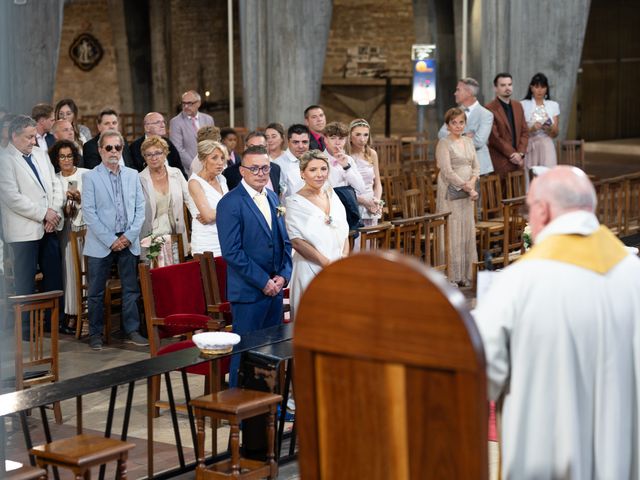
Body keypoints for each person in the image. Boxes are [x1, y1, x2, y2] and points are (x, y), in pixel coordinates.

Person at [474, 166, 640, 479]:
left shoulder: (519, 284)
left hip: (547, 459)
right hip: (621, 460)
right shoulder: (633, 274)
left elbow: (478, 375)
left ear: (543, 211)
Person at [216, 145, 292, 386]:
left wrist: (283, 276)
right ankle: (239, 412)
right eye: (255, 168)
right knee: (245, 353)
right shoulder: (230, 203)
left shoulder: (272, 197)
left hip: (274, 290)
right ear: (242, 171)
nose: (261, 172)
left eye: (265, 168)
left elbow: (285, 242)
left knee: (270, 354)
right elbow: (232, 252)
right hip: (250, 292)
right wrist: (263, 281)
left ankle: (269, 408)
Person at [82, 129, 148, 350]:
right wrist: (111, 240)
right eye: (108, 147)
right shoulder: (90, 177)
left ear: (122, 150)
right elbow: (89, 213)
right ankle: (95, 334)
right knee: (96, 291)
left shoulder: (132, 174)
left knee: (131, 289)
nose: (113, 151)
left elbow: (141, 209)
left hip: (128, 238)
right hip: (102, 241)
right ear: (100, 150)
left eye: (117, 147)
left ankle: (131, 330)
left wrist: (128, 237)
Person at [0, 115, 65, 334]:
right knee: (25, 282)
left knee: (54, 277)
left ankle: (54, 323)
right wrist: (43, 214)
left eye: (34, 137)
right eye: (28, 137)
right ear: (14, 136)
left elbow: (55, 183)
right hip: (23, 231)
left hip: (49, 225)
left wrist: (53, 212)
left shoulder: (40, 153)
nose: (33, 141)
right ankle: (25, 327)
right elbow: (12, 197)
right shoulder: (5, 159)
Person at [285, 150, 349, 318]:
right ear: (302, 173)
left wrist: (343, 258)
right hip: (311, 267)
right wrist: (326, 264)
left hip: (338, 266)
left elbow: (344, 228)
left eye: (323, 169)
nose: (319, 174)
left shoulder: (331, 193)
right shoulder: (294, 202)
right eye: (313, 170)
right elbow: (297, 241)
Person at [436, 107, 479, 286]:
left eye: (461, 122)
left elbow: (476, 166)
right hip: (450, 191)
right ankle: (452, 275)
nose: (458, 126)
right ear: (447, 125)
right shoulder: (444, 143)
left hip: (468, 190)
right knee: (453, 230)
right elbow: (446, 171)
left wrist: (472, 181)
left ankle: (466, 274)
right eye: (454, 122)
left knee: (466, 229)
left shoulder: (469, 141)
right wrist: (467, 187)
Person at [52, 140, 89, 333]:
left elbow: (93, 199)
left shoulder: (85, 174)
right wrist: (65, 206)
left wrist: (79, 198)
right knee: (70, 271)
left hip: (87, 228)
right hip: (66, 230)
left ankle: (88, 313)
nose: (66, 160)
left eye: (69, 156)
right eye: (62, 156)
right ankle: (73, 313)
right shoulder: (54, 178)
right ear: (57, 159)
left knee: (87, 270)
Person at [139, 136, 191, 260]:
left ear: (165, 153)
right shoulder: (139, 179)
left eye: (158, 153)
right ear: (144, 157)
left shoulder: (176, 173)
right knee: (156, 275)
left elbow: (190, 199)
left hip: (176, 233)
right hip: (151, 236)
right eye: (149, 155)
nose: (154, 158)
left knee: (178, 272)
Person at [438, 78, 494, 176]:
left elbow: (478, 142)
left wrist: (452, 135)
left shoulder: (486, 114)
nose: (455, 93)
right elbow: (441, 134)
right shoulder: (454, 112)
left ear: (468, 93)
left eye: (458, 90)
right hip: (455, 169)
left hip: (478, 169)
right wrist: (463, 135)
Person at [188, 140, 229, 255]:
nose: (220, 162)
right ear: (203, 160)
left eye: (222, 158)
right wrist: (231, 211)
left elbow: (230, 207)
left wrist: (215, 214)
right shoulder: (195, 183)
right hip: (206, 242)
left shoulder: (222, 179)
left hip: (226, 238)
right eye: (214, 158)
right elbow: (208, 216)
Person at [485, 73, 529, 176]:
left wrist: (520, 153)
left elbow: (525, 132)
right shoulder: (489, 108)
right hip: (500, 162)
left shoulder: (518, 106)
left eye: (509, 84)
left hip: (518, 162)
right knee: (500, 192)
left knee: (518, 192)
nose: (507, 88)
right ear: (496, 88)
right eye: (503, 85)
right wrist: (513, 154)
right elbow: (494, 137)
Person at [345, 118, 383, 226]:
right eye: (358, 134)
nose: (362, 139)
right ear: (350, 136)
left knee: (371, 239)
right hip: (353, 202)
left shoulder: (372, 154)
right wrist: (365, 202)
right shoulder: (344, 156)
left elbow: (378, 183)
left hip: (371, 202)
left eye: (365, 135)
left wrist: (377, 200)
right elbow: (343, 188)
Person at [222, 131, 283, 196]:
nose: (256, 151)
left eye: (260, 147)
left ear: (267, 147)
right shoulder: (231, 173)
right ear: (245, 147)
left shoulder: (275, 169)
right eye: (252, 147)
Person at [169, 90, 215, 175]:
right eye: (183, 103)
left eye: (190, 103)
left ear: (198, 103)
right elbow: (178, 149)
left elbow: (213, 143)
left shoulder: (208, 119)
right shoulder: (175, 122)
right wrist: (196, 166)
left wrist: (211, 163)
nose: (186, 106)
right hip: (189, 170)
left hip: (210, 168)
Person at [521, 72, 560, 170]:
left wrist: (549, 128)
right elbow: (520, 131)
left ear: (547, 89)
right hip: (530, 144)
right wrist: (532, 128)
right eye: (536, 87)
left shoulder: (553, 105)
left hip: (546, 144)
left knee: (548, 174)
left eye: (543, 87)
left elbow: (555, 134)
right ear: (531, 88)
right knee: (530, 175)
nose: (540, 90)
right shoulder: (523, 104)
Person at [129, 112, 186, 177]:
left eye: (163, 122)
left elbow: (179, 168)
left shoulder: (168, 143)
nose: (163, 125)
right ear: (147, 127)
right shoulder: (135, 147)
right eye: (158, 122)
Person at [273, 124, 310, 197]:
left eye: (304, 142)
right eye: (296, 142)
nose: (301, 146)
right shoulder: (277, 165)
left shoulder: (314, 160)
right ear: (288, 142)